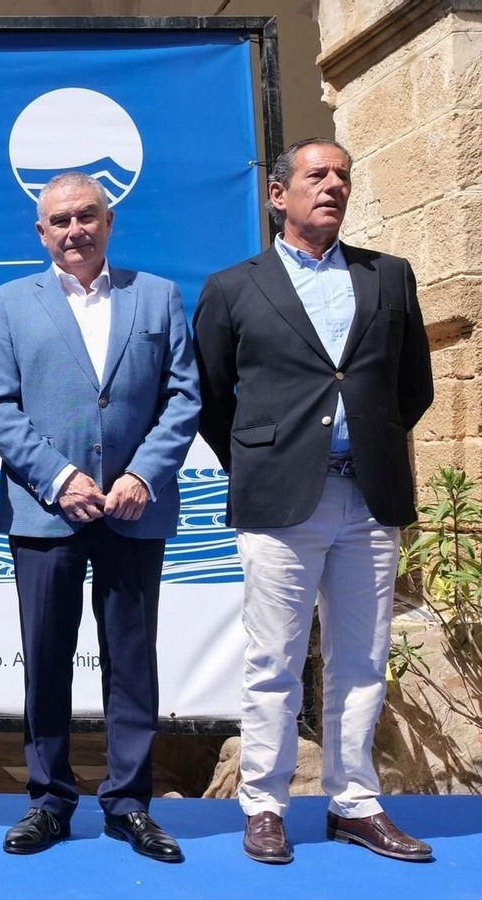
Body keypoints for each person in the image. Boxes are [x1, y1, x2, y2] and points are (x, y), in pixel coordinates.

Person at [193, 138, 434, 864]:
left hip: (368, 497)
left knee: (362, 658)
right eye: (316, 175)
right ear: (278, 195)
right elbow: (212, 397)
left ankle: (354, 803)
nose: (333, 185)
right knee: (274, 661)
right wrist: (268, 461)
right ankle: (265, 805)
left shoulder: (388, 277)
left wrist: (370, 444)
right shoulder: (234, 287)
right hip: (280, 504)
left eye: (343, 176)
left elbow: (412, 387)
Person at [0, 172, 200, 862]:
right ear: (40, 233)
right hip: (47, 513)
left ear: (109, 222)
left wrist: (142, 474)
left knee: (132, 662)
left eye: (87, 216)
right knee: (45, 659)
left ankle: (129, 802)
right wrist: (59, 477)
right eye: (59, 221)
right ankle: (48, 800)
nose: (74, 230)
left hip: (135, 509)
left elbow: (183, 396)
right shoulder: (12, 303)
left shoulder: (158, 296)